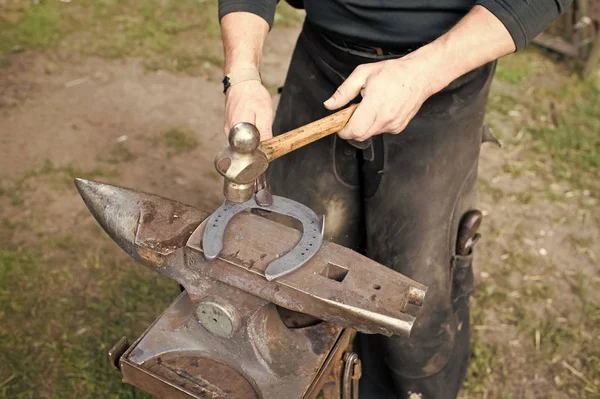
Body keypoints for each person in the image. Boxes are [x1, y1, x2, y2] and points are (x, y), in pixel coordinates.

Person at [217, 0, 569, 397]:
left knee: (415, 307)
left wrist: (422, 73)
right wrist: (242, 76)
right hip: (324, 61)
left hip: (444, 70)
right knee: (290, 281)